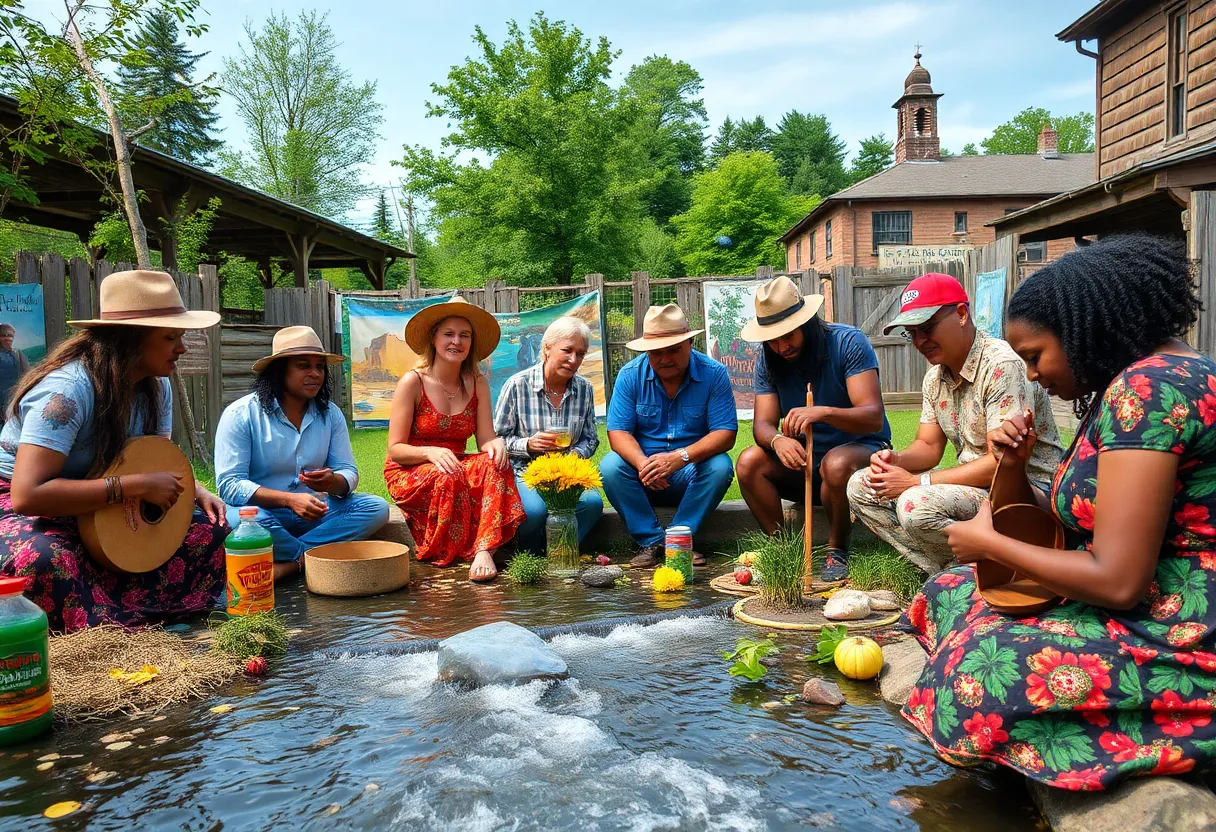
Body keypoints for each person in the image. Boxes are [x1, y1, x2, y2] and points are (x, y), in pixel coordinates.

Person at [902, 234, 1216, 790]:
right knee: (949, 590)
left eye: (1035, 357)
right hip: (1146, 589)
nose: (1032, 376)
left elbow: (1119, 581)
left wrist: (990, 544)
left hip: (1183, 622)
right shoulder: (1136, 379)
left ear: (1084, 332)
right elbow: (1082, 520)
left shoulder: (1147, 392)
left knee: (978, 673)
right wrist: (1014, 466)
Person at [0, 270, 227, 632]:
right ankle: (114, 620)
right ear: (130, 339)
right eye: (171, 337)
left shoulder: (157, 387)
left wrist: (196, 491)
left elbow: (156, 459)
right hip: (25, 504)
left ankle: (118, 613)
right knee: (47, 560)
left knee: (210, 535)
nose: (181, 348)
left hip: (110, 499)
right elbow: (28, 496)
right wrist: (132, 487)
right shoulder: (67, 392)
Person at [846, 273, 1063, 574]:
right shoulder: (935, 378)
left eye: (928, 327)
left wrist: (914, 481)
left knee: (915, 503)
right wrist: (897, 460)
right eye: (912, 333)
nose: (920, 341)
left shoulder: (1002, 365)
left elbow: (1003, 463)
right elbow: (929, 445)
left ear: (961, 314)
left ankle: (990, 567)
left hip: (1026, 490)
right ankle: (953, 570)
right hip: (974, 489)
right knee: (862, 485)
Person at [735, 276, 891, 581]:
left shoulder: (848, 343)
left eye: (788, 336)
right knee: (749, 462)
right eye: (772, 339)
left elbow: (872, 417)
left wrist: (824, 413)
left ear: (806, 322)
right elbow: (763, 425)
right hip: (805, 464)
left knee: (836, 463)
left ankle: (837, 551)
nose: (781, 347)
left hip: (859, 456)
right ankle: (783, 552)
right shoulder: (768, 360)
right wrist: (778, 440)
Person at [214, 326, 390, 579]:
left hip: (314, 510)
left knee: (375, 508)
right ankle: (310, 558)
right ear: (279, 370)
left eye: (320, 367)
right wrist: (288, 500)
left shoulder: (330, 414)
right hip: (260, 513)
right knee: (240, 522)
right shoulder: (241, 415)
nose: (315, 374)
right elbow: (229, 485)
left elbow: (347, 471)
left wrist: (333, 482)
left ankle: (289, 563)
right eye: (303, 366)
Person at [383, 297, 523, 581]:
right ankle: (446, 550)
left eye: (464, 335)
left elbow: (484, 438)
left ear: (471, 343)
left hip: (454, 463)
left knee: (495, 463)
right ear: (433, 339)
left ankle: (485, 549)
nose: (456, 341)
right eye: (448, 334)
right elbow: (395, 450)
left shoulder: (477, 383)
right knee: (447, 475)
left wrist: (494, 444)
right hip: (410, 468)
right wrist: (430, 452)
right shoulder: (413, 382)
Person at [602, 304, 737, 567]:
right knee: (610, 467)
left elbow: (726, 433)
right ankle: (651, 541)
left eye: (674, 350)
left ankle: (678, 542)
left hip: (690, 473)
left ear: (690, 342)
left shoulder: (714, 374)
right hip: (644, 476)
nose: (665, 359)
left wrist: (679, 458)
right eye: (656, 353)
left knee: (720, 466)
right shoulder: (630, 376)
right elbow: (617, 432)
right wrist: (644, 464)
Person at [494, 315, 603, 554]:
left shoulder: (583, 389)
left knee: (592, 504)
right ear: (547, 348)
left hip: (566, 471)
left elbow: (591, 438)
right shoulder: (517, 385)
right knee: (534, 511)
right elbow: (498, 439)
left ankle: (554, 551)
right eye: (567, 350)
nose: (574, 360)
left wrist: (574, 454)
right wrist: (529, 445)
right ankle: (529, 551)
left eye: (581, 354)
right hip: (525, 471)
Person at [0, 323, 31, 426]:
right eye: (4, 335)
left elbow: (28, 377)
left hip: (14, 406)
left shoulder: (18, 354)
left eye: (10, 335)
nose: (8, 338)